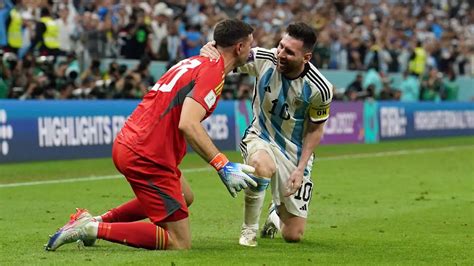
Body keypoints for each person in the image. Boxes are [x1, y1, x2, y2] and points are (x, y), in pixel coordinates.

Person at [45, 19, 256, 251]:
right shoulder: (212, 72)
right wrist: (222, 165)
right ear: (239, 47)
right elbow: (188, 123)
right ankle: (90, 229)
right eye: (250, 44)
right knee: (179, 242)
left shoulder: (195, 61)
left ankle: (95, 221)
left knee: (185, 195)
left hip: (131, 141)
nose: (252, 50)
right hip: (147, 154)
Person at [201, 22, 333, 246]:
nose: (280, 54)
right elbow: (230, 55)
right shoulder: (263, 58)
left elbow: (315, 129)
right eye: (280, 46)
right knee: (262, 166)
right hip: (260, 136)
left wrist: (300, 169)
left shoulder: (320, 88)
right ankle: (248, 232)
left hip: (294, 152)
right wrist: (210, 49)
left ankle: (274, 212)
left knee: (293, 235)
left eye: (289, 52)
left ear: (306, 58)